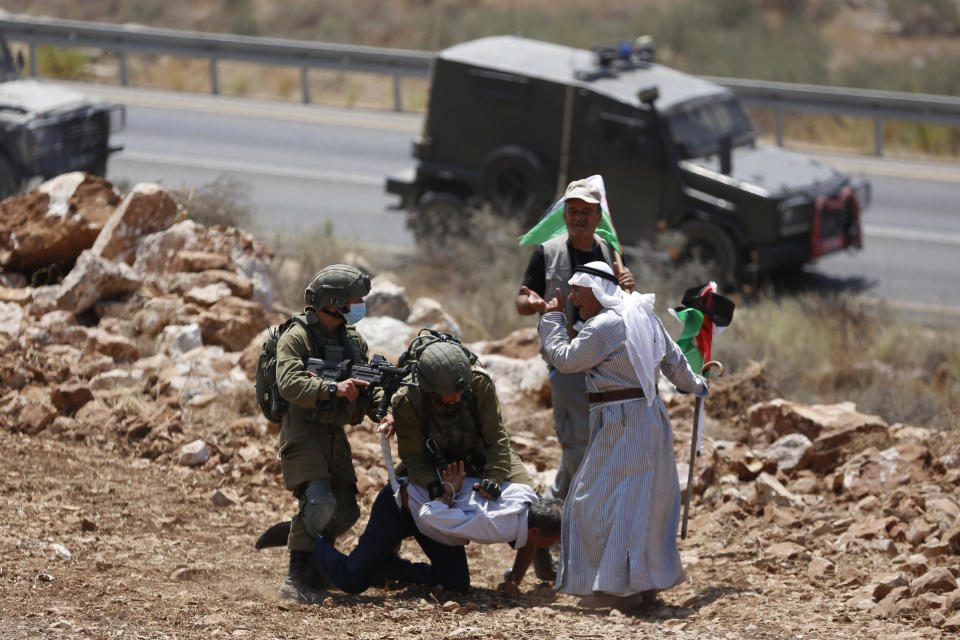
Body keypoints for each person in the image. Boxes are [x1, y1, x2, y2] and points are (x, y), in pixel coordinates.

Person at [537, 261, 708, 607]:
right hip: (649, 420)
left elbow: (565, 359)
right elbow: (676, 365)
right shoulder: (646, 317)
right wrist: (700, 385)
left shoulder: (605, 325)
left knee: (596, 501)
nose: (572, 297)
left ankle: (618, 590)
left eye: (576, 290)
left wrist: (553, 320)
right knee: (639, 502)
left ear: (596, 289)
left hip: (621, 422)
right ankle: (640, 585)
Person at [515, 177, 635, 579]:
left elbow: (621, 306)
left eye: (586, 211)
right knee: (580, 453)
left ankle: (543, 523)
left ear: (598, 216)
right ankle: (568, 543)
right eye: (572, 211)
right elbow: (521, 298)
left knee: (586, 457)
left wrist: (629, 287)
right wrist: (531, 304)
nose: (578, 217)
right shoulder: (547, 253)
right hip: (567, 368)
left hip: (604, 368)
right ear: (564, 215)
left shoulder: (609, 252)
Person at [274, 263, 382, 603]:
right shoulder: (297, 336)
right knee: (319, 503)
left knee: (347, 510)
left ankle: (318, 568)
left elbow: (369, 384)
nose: (360, 306)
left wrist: (384, 405)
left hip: (335, 434)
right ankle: (295, 578)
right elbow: (289, 382)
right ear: (333, 302)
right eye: (355, 300)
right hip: (303, 431)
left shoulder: (352, 340)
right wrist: (332, 388)